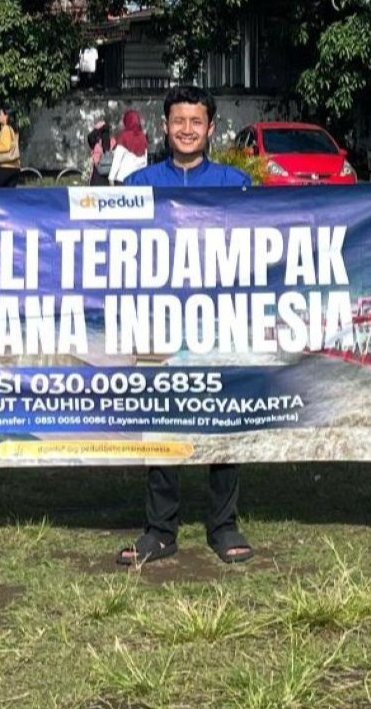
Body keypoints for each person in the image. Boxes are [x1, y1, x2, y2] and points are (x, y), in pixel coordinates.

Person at [116, 85, 255, 566]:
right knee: (160, 419)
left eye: (197, 122)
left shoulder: (236, 183)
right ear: (165, 127)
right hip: (155, 319)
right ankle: (160, 529)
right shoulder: (138, 185)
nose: (188, 130)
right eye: (179, 122)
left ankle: (224, 524)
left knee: (224, 418)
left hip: (221, 320)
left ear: (211, 127)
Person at [110, 109, 149, 184]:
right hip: (138, 180)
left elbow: (117, 160)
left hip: (122, 179)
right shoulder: (143, 138)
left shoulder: (123, 137)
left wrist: (111, 178)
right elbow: (145, 161)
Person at [87, 118, 114, 186]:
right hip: (111, 173)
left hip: (97, 174)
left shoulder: (95, 144)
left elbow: (90, 136)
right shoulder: (113, 141)